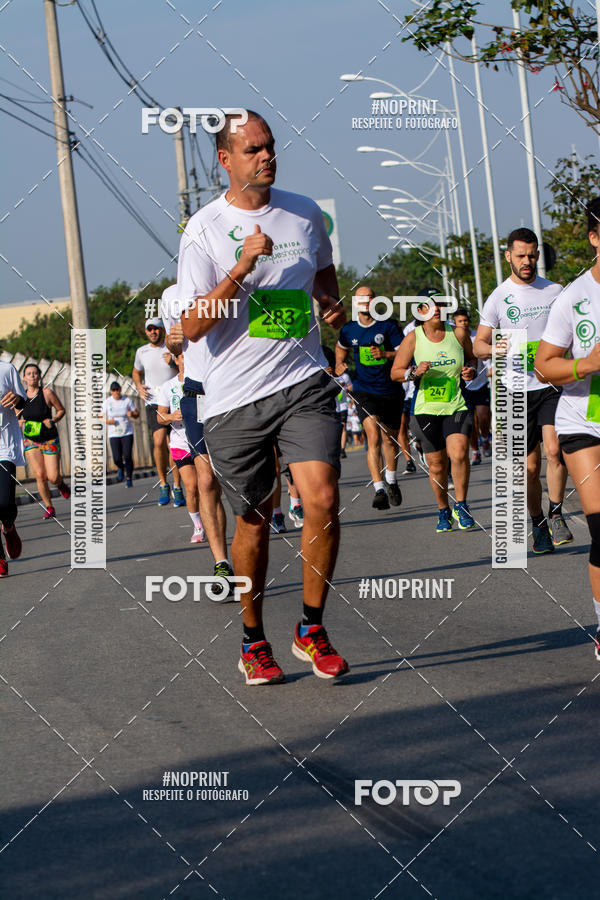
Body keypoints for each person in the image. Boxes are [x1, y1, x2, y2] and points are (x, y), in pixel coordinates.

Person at [179, 110, 349, 684]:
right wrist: (244, 267)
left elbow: (324, 277)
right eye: (252, 150)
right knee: (253, 518)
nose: (266, 157)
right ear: (225, 160)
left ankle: (311, 628)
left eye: (270, 146)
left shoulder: (305, 213)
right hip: (234, 397)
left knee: (322, 497)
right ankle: (253, 639)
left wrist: (333, 305)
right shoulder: (203, 229)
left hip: (303, 381)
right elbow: (194, 324)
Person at [474, 227, 573, 554]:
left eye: (532, 256)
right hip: (515, 390)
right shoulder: (498, 297)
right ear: (508, 257)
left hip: (550, 383)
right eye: (521, 256)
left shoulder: (554, 290)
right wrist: (494, 349)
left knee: (554, 450)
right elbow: (477, 345)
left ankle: (556, 513)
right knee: (528, 468)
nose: (527, 262)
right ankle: (538, 523)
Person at [536, 197, 600, 660]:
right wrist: (588, 364)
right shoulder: (574, 298)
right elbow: (544, 366)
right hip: (584, 422)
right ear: (595, 238)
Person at [161, 285, 235, 597]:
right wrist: (173, 341)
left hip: (237, 390)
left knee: (240, 479)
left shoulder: (232, 277)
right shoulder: (171, 295)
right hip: (198, 394)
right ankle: (222, 564)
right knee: (206, 481)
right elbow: (173, 348)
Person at [391, 295, 477, 532]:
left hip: (456, 404)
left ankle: (461, 504)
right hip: (426, 409)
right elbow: (395, 372)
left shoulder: (457, 334)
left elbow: (472, 358)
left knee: (459, 452)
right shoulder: (413, 338)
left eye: (439, 305)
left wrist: (471, 371)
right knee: (437, 464)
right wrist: (413, 372)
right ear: (419, 311)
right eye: (428, 306)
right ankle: (443, 510)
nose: (436, 309)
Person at [336, 285, 404, 510]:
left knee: (389, 440)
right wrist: (339, 363)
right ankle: (379, 489)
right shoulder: (349, 330)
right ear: (355, 303)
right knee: (372, 435)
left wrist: (385, 354)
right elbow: (340, 347)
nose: (365, 302)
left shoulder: (388, 326)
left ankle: (392, 481)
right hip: (364, 390)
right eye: (360, 299)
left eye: (369, 298)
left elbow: (405, 352)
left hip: (390, 389)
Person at [132, 317, 184, 507]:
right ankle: (163, 484)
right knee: (159, 441)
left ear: (162, 330)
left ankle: (177, 486)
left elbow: (183, 366)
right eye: (149, 329)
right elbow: (136, 372)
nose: (153, 332)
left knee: (174, 445)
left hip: (173, 399)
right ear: (146, 332)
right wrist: (138, 386)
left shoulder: (171, 347)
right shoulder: (141, 352)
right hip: (153, 401)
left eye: (156, 329)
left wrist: (172, 363)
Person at [157, 353, 206, 544]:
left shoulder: (202, 381)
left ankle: (211, 521)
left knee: (207, 484)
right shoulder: (168, 387)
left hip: (202, 439)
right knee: (192, 486)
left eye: (188, 355)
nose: (185, 359)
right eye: (181, 356)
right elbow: (159, 417)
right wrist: (171, 416)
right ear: (176, 360)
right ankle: (198, 526)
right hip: (179, 442)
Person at [21, 363, 70, 519]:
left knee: (53, 476)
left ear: (40, 376)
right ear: (24, 378)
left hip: (49, 438)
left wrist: (53, 419)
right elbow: (16, 416)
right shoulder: (21, 397)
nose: (33, 376)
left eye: (35, 373)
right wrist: (19, 422)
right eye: (29, 374)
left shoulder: (47, 393)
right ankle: (49, 507)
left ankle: (61, 484)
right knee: (40, 475)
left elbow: (61, 409)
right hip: (31, 441)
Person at [453, 307, 491, 465]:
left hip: (480, 383)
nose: (463, 323)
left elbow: (486, 356)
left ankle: (485, 437)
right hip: (463, 388)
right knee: (470, 424)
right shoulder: (453, 339)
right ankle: (475, 452)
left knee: (483, 417)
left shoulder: (477, 337)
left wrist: (490, 369)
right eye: (460, 321)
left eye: (465, 320)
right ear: (455, 323)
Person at [0, 361, 26, 576]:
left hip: (3, 447)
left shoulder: (6, 370)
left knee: (5, 503)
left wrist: (16, 399)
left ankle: (8, 526)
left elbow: (22, 401)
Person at [103, 381, 139, 487]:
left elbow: (137, 414)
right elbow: (100, 416)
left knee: (127, 456)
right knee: (117, 458)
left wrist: (132, 413)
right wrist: (108, 421)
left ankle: (128, 478)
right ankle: (120, 467)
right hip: (113, 433)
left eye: (117, 389)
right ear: (111, 391)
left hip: (127, 432)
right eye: (113, 390)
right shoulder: (107, 402)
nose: (116, 392)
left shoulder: (127, 401)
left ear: (120, 390)